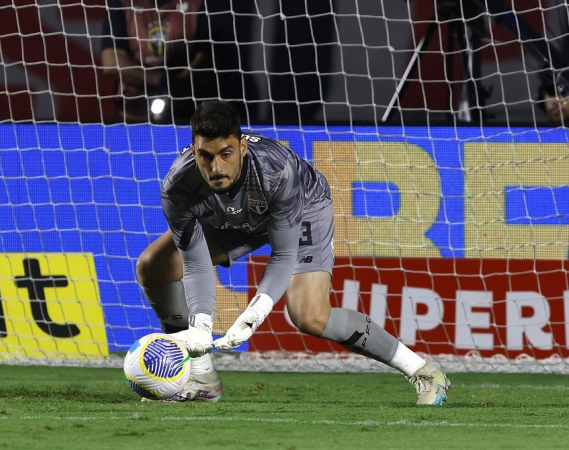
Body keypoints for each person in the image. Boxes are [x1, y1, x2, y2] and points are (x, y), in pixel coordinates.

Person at [135, 100, 451, 405]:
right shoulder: (177, 186)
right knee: (154, 265)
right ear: (193, 151)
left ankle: (423, 371)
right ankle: (199, 377)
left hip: (303, 210)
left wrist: (256, 311)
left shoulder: (277, 169)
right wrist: (201, 325)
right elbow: (195, 263)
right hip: (233, 217)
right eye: (205, 156)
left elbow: (284, 254)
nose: (216, 167)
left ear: (242, 147)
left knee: (309, 315)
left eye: (225, 154)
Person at [99, 0, 213, 123]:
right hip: (134, 108)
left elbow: (206, 55)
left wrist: (180, 85)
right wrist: (163, 81)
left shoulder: (197, 3)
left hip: (185, 107)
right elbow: (111, 62)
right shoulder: (122, 3)